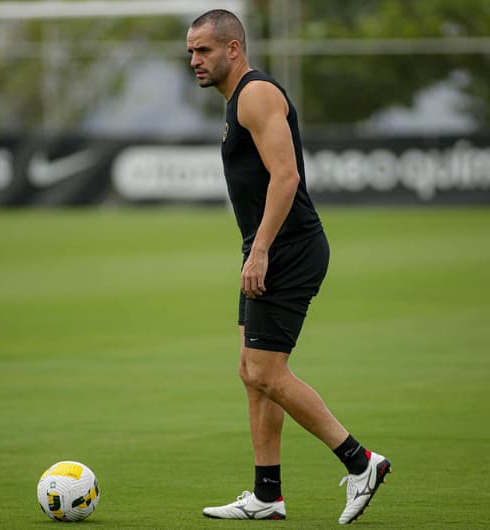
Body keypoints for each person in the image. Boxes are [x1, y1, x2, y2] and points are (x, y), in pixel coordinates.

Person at [186, 9, 391, 525]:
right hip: (270, 248)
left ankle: (360, 462)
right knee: (251, 373)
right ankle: (267, 496)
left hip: (285, 249)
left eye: (203, 50)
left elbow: (286, 176)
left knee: (265, 371)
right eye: (190, 51)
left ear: (233, 49)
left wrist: (260, 251)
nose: (194, 60)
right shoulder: (237, 101)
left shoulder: (255, 94)